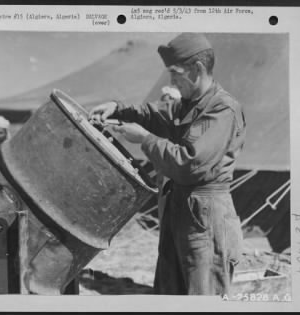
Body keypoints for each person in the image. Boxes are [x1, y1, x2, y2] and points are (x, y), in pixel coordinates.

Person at [89, 33, 246, 295]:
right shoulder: (187, 105)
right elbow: (153, 114)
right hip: (181, 211)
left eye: (175, 74)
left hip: (205, 219)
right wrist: (117, 108)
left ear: (197, 70)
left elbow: (190, 164)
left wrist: (145, 139)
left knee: (202, 296)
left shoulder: (221, 109)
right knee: (170, 295)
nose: (171, 82)